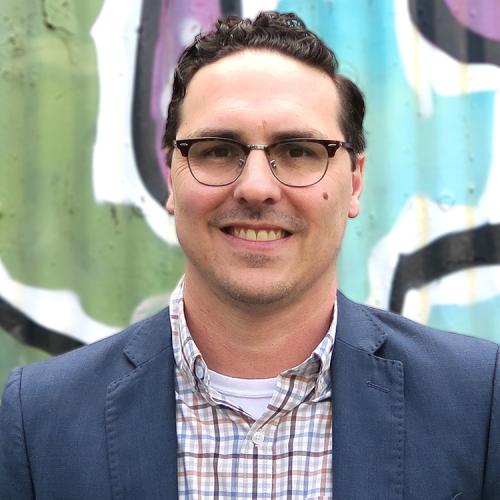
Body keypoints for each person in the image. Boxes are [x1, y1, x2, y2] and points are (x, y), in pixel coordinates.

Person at [1, 11, 499, 500]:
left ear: (355, 180)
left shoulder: (478, 401)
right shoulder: (39, 418)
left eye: (300, 150)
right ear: (171, 174)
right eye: (217, 149)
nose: (257, 187)